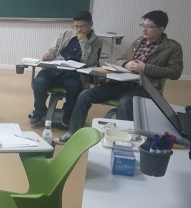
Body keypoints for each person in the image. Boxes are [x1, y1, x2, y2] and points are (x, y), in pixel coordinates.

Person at [55, 10, 183, 144]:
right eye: (143, 25)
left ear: (161, 29)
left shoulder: (172, 47)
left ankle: (124, 141)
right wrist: (126, 64)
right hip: (121, 82)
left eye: (149, 26)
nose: (144, 29)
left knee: (125, 103)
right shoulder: (138, 41)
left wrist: (145, 68)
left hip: (144, 88)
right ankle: (73, 132)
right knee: (85, 94)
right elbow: (120, 59)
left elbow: (175, 72)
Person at [29, 11, 102, 128]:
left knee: (74, 85)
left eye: (82, 27)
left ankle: (68, 113)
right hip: (56, 68)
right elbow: (54, 49)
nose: (78, 30)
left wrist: (83, 41)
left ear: (90, 24)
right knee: (39, 81)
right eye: (76, 26)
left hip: (75, 72)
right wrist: (48, 56)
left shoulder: (97, 41)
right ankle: (39, 110)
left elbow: (91, 62)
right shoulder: (66, 33)